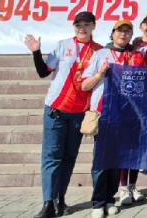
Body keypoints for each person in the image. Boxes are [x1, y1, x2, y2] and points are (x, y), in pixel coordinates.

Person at [25, 11, 101, 218]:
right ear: (74, 27)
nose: (82, 28)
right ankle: (48, 203)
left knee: (69, 158)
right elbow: (43, 72)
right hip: (56, 109)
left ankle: (61, 199)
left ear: (93, 26)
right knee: (52, 157)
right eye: (78, 25)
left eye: (86, 24)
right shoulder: (63, 45)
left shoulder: (100, 51)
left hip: (79, 113)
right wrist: (36, 52)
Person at [81, 19, 142, 217]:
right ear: (112, 34)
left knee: (117, 160)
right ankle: (98, 202)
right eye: (119, 31)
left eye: (127, 31)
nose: (123, 34)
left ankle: (109, 199)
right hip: (103, 113)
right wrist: (100, 74)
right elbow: (84, 85)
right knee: (101, 159)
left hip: (125, 116)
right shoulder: (101, 54)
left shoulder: (135, 56)